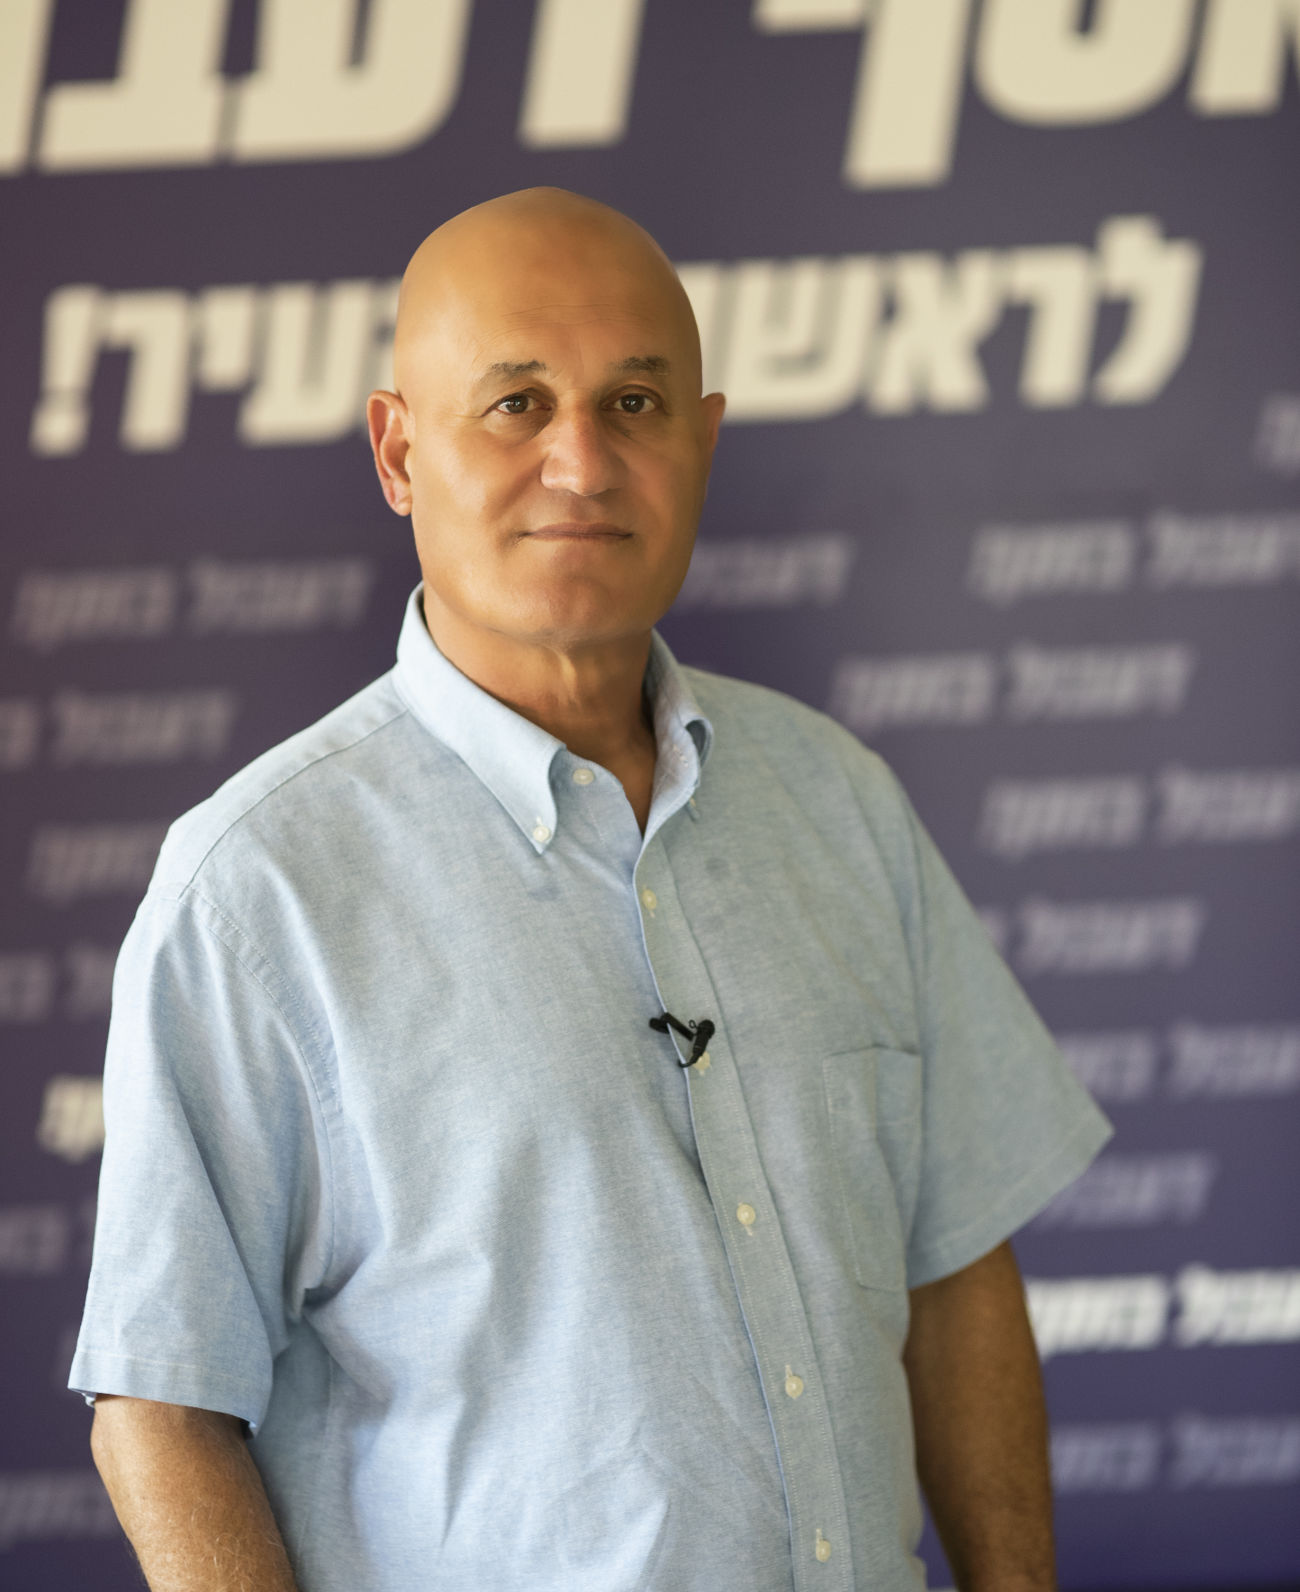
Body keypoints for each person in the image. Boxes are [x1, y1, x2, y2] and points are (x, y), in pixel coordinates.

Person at [74, 187, 1110, 1592]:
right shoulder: (258, 889)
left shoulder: (839, 802)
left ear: (703, 441)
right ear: (399, 452)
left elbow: (956, 1268)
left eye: (635, 403)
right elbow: (162, 1407)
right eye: (516, 404)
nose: (582, 461)